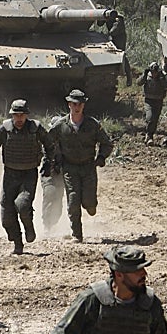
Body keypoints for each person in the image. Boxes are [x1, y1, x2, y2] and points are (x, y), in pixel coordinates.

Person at [0, 99, 59, 255]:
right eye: (16, 115)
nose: (19, 119)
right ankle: (18, 244)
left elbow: (50, 146)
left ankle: (29, 226)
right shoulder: (5, 129)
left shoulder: (36, 128)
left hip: (29, 174)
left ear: (26, 115)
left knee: (22, 204)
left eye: (22, 115)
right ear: (12, 116)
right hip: (10, 175)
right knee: (7, 216)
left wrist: (47, 163)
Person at [50, 90, 114, 243]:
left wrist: (101, 157)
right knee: (73, 201)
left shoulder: (92, 124)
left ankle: (91, 207)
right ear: (69, 105)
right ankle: (77, 235)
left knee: (89, 203)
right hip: (69, 168)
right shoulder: (60, 126)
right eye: (73, 104)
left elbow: (107, 143)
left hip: (88, 168)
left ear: (83, 105)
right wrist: (55, 159)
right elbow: (48, 143)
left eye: (79, 104)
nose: (76, 107)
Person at [137, 62, 167, 144]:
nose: (154, 74)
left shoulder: (161, 77)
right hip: (149, 100)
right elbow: (138, 82)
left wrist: (162, 77)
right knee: (150, 117)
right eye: (153, 71)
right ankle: (148, 136)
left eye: (156, 72)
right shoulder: (147, 76)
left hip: (159, 100)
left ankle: (150, 135)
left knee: (155, 119)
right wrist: (144, 75)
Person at [108, 13, 131, 86]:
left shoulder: (118, 19)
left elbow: (113, 31)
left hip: (119, 38)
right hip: (113, 37)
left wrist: (108, 34)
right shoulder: (106, 16)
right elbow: (99, 24)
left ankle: (129, 76)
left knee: (121, 55)